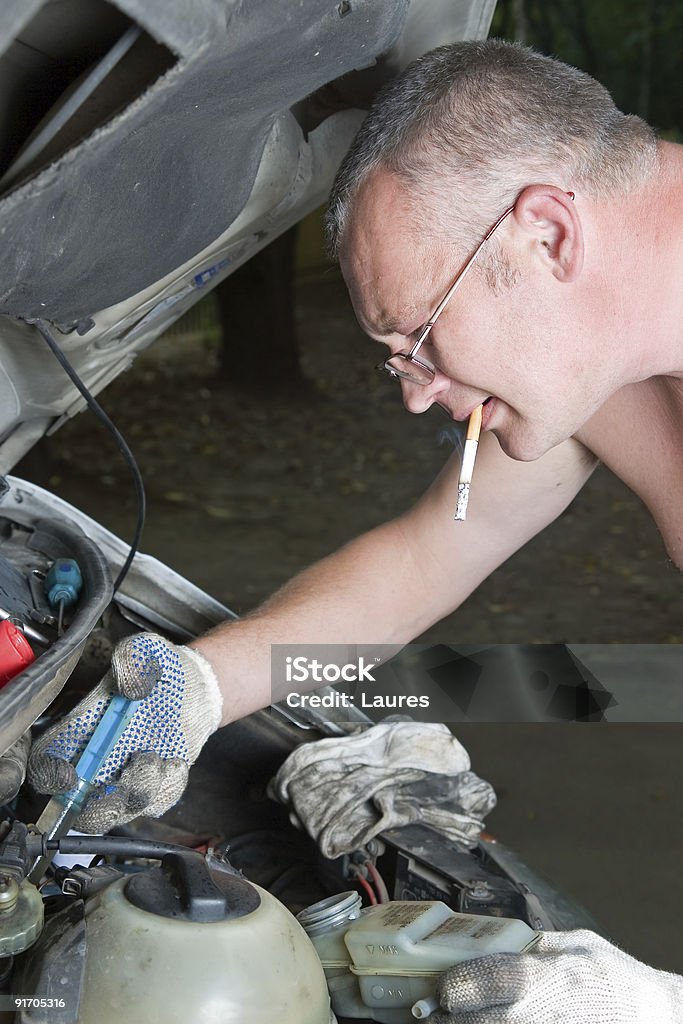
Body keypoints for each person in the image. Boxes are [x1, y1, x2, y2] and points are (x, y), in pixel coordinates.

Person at [25, 40, 683, 1022]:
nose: (419, 395)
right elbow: (428, 554)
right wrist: (200, 689)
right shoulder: (595, 351)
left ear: (545, 234)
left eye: (419, 337)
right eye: (393, 358)